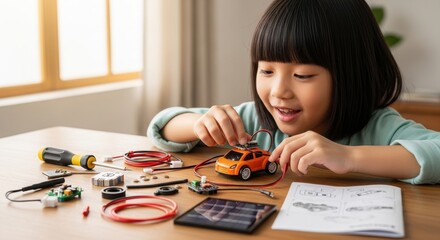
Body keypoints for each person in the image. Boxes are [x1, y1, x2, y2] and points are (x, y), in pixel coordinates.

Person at [147, 0, 440, 185]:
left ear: (350, 75)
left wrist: (349, 157)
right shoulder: (254, 121)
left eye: (302, 75)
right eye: (266, 71)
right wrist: (200, 124)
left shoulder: (379, 127)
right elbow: (163, 125)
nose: (278, 92)